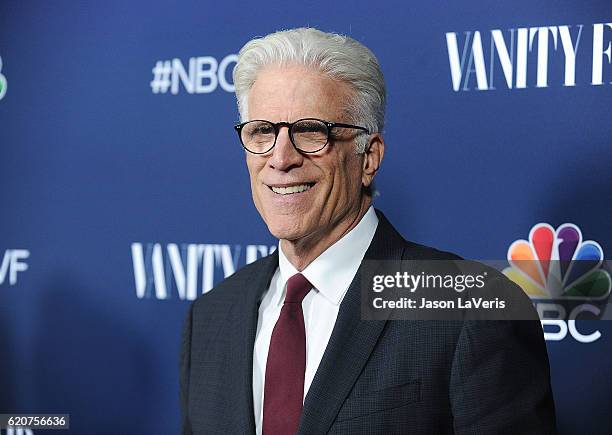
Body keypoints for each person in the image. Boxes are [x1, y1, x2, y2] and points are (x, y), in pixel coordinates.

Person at [180, 27, 557, 434]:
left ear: (368, 157)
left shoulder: (467, 307)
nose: (281, 158)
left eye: (310, 131)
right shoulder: (212, 316)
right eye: (262, 132)